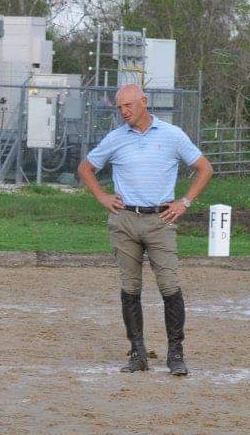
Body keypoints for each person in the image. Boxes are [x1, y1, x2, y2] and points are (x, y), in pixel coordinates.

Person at [77, 84, 213, 376]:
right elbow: (85, 168)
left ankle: (175, 354)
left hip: (161, 221)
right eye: (119, 107)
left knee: (170, 286)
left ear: (144, 102)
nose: (124, 111)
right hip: (124, 221)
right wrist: (102, 196)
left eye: (128, 105)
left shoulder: (172, 135)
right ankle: (137, 353)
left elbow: (205, 168)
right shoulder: (115, 139)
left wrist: (185, 202)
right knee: (130, 287)